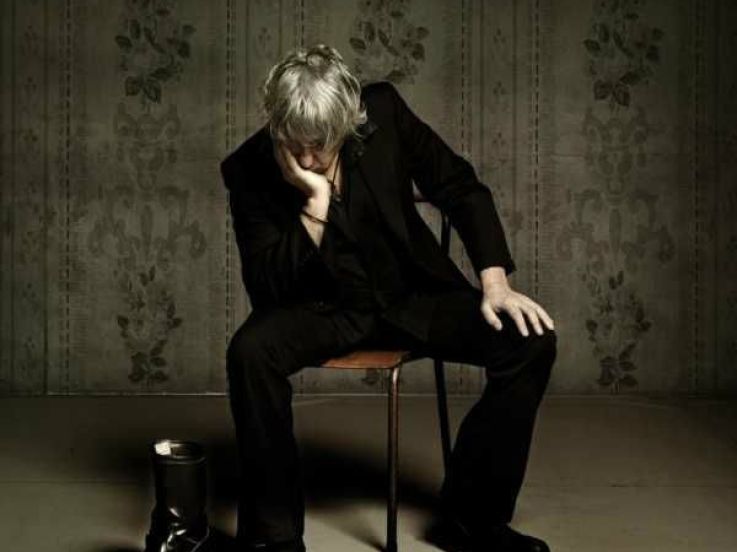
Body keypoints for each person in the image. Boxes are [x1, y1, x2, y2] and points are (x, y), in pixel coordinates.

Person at [220, 43, 557, 552]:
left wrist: (495, 283)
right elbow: (266, 288)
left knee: (530, 340)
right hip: (322, 310)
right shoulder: (248, 168)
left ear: (346, 123)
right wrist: (315, 206)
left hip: (411, 295)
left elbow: (459, 186)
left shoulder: (384, 112)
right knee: (249, 353)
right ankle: (274, 539)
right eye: (294, 144)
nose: (307, 159)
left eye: (321, 145)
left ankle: (472, 519)